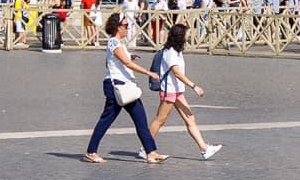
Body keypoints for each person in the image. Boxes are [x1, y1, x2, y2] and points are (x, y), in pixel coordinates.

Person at [83, 12, 165, 164]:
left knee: (140, 119)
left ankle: (151, 152)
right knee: (106, 120)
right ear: (117, 27)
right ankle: (91, 151)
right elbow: (126, 63)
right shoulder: (114, 42)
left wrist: (130, 56)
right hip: (116, 87)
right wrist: (148, 72)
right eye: (126, 26)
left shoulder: (118, 44)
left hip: (125, 86)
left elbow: (120, 59)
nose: (128, 29)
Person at [148, 23, 222, 159]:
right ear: (180, 35)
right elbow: (177, 73)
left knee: (190, 118)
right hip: (170, 90)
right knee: (160, 120)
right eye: (187, 33)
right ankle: (145, 148)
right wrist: (194, 86)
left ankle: (205, 149)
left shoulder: (177, 51)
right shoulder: (170, 52)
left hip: (177, 91)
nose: (189, 35)